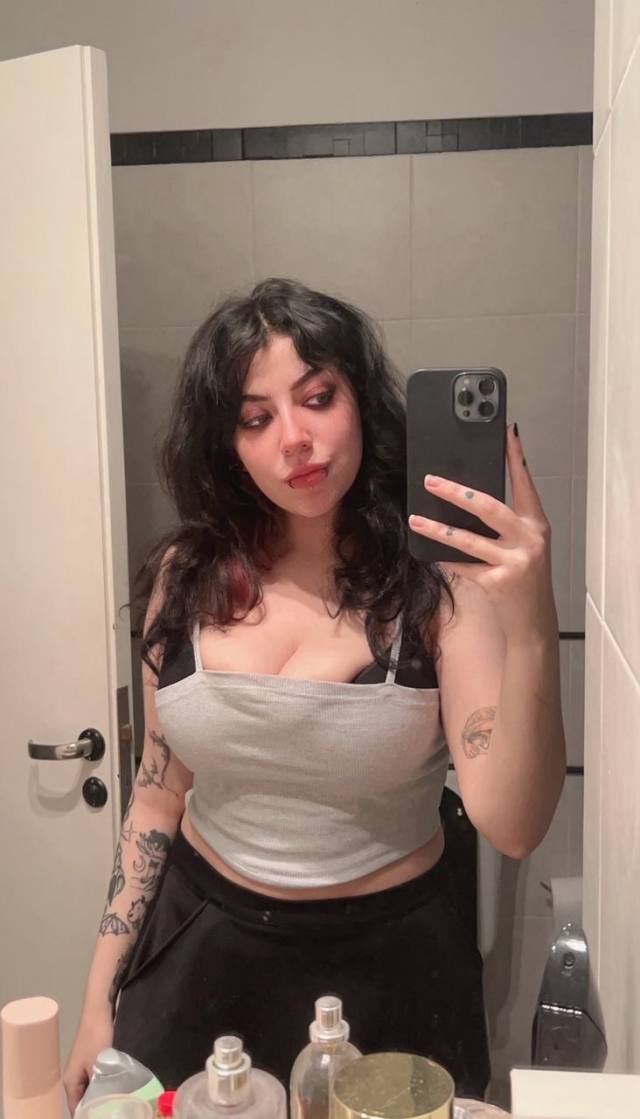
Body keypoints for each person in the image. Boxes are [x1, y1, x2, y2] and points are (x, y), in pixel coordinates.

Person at [64, 277, 566, 1113]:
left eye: (317, 397)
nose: (294, 439)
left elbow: (513, 823)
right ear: (226, 442)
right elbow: (156, 798)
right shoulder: (185, 579)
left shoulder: (437, 587)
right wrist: (95, 1001)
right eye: (255, 418)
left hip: (391, 970)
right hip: (197, 956)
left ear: (360, 401)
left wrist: (533, 623)